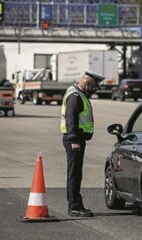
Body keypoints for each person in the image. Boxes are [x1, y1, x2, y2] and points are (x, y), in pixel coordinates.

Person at [60, 71, 104, 217]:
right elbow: (70, 119)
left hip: (78, 139)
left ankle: (76, 204)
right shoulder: (75, 96)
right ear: (86, 83)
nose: (93, 90)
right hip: (74, 140)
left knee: (76, 173)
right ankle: (74, 206)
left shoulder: (79, 95)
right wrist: (73, 140)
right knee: (74, 174)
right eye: (93, 87)